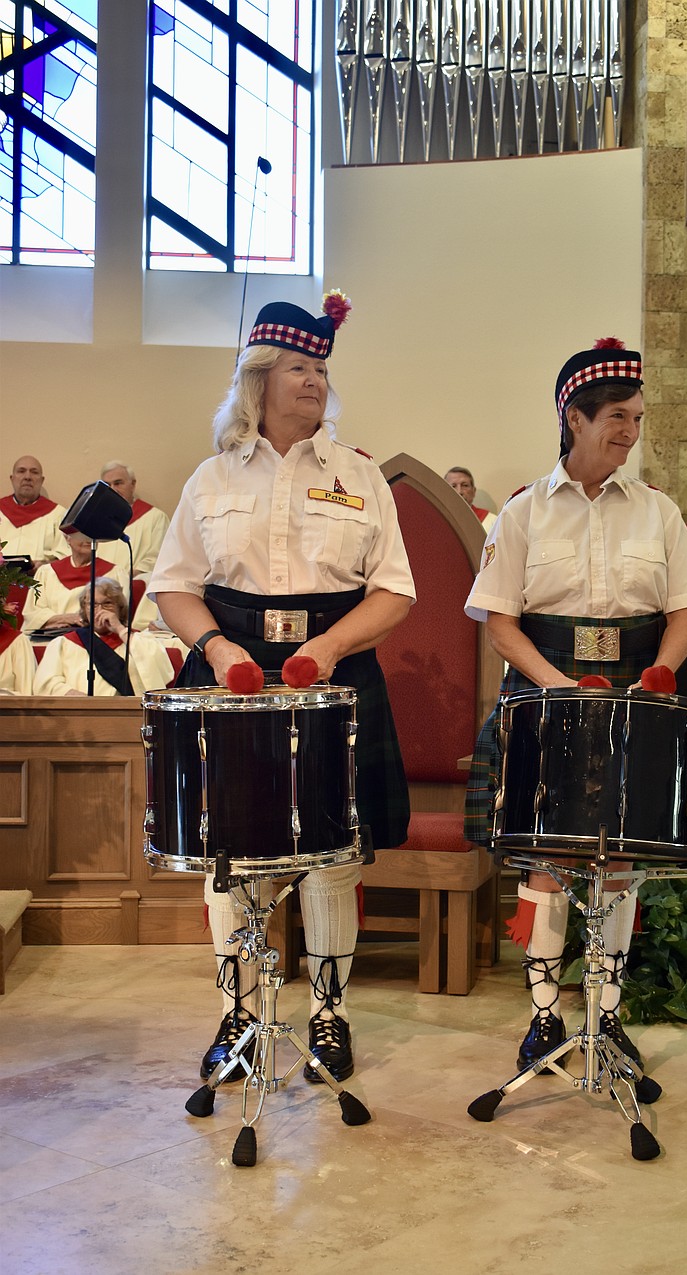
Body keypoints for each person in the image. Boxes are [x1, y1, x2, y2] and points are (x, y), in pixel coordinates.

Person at [147, 292, 415, 1086]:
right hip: (231, 679)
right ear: (258, 378)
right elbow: (173, 585)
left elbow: (394, 590)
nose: (314, 382)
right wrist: (219, 645)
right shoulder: (209, 477)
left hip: (333, 678)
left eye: (322, 369)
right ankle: (240, 1014)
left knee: (334, 857)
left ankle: (328, 1017)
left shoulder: (361, 475)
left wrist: (330, 646)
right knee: (233, 857)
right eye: (299, 367)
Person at [464, 337, 687, 1073]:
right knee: (546, 859)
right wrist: (557, 683)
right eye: (616, 417)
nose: (629, 432)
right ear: (572, 417)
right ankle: (545, 1020)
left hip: (637, 695)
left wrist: (664, 673)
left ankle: (605, 1018)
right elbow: (499, 621)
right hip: (548, 692)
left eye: (637, 419)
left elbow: (684, 610)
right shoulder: (521, 513)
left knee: (619, 865)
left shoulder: (658, 512)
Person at [33, 576, 174, 696]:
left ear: (120, 607)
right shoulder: (64, 643)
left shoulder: (140, 641)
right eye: (93, 604)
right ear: (84, 608)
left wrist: (119, 628)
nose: (100, 610)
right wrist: (73, 695)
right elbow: (47, 682)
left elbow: (160, 675)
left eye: (107, 603)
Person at [22, 530, 128, 633]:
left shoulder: (115, 572)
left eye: (91, 534)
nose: (88, 539)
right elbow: (33, 612)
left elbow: (122, 613)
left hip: (95, 639)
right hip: (50, 637)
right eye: (82, 534)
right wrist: (63, 619)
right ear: (67, 538)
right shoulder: (46, 572)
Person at [98, 462, 171, 577]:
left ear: (132, 484)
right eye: (107, 485)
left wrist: (125, 580)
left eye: (118, 483)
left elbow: (157, 558)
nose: (112, 489)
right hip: (97, 587)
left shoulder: (155, 517)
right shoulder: (95, 520)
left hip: (136, 585)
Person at [0, 456, 66, 567]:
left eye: (34, 472)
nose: (27, 477)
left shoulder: (58, 514)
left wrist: (44, 565)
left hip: (41, 581)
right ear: (12, 478)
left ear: (42, 480)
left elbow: (66, 557)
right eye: (21, 471)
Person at [444, 466, 497, 533]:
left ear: (473, 491)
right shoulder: (437, 520)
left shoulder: (491, 521)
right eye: (453, 486)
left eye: (465, 485)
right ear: (445, 492)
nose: (459, 492)